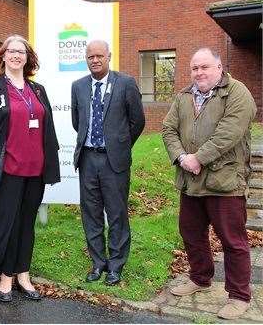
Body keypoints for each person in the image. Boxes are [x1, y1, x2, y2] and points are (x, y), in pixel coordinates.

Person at [162, 47, 256, 320]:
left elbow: (230, 133)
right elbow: (168, 129)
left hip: (224, 182)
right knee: (191, 232)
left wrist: (198, 158)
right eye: (194, 68)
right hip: (190, 181)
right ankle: (200, 278)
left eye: (204, 67)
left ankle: (239, 295)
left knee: (232, 240)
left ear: (219, 67)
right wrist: (181, 157)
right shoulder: (183, 96)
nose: (199, 72)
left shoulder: (237, 93)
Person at [0, 35, 60, 303]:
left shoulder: (39, 90)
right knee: (6, 225)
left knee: (26, 225)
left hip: (35, 171)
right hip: (7, 169)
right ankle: (6, 278)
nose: (16, 56)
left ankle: (24, 274)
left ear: (27, 57)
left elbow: (47, 129)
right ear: (3, 56)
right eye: (11, 51)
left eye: (21, 52)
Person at [71, 40, 145, 286]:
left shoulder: (125, 84)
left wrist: (119, 145)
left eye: (99, 55)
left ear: (109, 56)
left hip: (114, 162)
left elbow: (137, 122)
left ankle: (115, 265)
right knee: (90, 214)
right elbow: (77, 120)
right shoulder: (78, 86)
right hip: (88, 159)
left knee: (116, 214)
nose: (95, 60)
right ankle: (98, 263)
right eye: (90, 56)